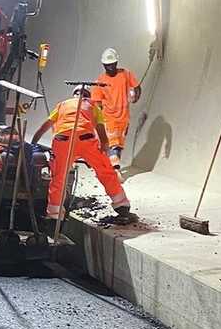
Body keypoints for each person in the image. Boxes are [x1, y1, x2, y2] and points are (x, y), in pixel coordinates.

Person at [32, 86, 135, 225]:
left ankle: (54, 215)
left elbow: (45, 126)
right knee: (105, 171)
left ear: (73, 94)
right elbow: (100, 128)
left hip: (62, 141)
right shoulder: (92, 105)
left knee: (58, 177)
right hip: (85, 140)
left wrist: (33, 144)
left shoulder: (63, 105)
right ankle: (121, 205)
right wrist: (104, 147)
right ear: (88, 95)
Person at [93, 48, 140, 174]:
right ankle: (115, 170)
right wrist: (98, 121)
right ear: (103, 65)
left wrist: (135, 97)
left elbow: (136, 87)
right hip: (108, 118)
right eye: (108, 65)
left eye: (113, 64)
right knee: (112, 143)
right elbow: (96, 103)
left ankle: (111, 167)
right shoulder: (100, 81)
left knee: (118, 145)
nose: (111, 67)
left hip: (123, 118)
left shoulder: (125, 74)